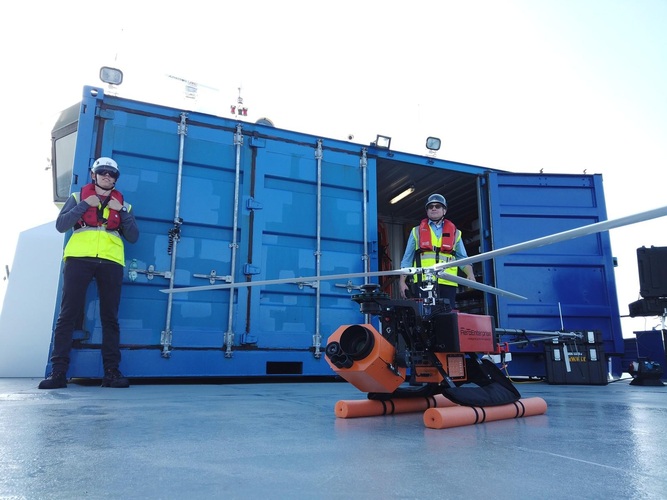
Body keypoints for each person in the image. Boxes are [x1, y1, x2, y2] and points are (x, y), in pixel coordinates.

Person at [39, 157, 139, 389]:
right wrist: (85, 204)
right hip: (78, 259)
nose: (107, 176)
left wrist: (121, 211)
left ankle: (111, 373)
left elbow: (133, 236)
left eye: (111, 174)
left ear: (115, 179)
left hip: (111, 261)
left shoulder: (125, 205)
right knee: (67, 315)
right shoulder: (77, 198)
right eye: (102, 172)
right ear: (94, 175)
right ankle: (58, 373)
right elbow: (61, 225)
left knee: (110, 318)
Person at [398, 193, 475, 308]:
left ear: (444, 210)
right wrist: (402, 282)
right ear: (427, 211)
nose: (433, 208)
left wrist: (470, 275)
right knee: (426, 316)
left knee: (447, 316)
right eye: (430, 207)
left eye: (437, 206)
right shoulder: (416, 231)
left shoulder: (456, 233)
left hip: (448, 282)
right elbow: (407, 259)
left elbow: (462, 259)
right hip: (424, 282)